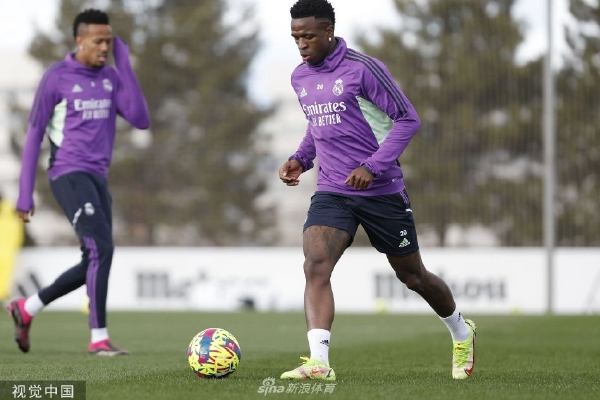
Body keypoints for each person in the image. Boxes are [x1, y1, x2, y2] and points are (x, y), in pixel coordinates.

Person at [278, 0, 476, 381]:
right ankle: (319, 362)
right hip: (333, 190)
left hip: (381, 191)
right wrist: (301, 159)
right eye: (295, 37)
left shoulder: (363, 70)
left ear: (329, 31)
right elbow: (319, 126)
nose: (301, 44)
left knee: (413, 276)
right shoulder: (300, 77)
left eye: (308, 36)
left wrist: (372, 166)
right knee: (315, 264)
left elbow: (408, 119)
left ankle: (461, 331)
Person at [7, 9, 150, 356]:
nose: (105, 47)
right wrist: (25, 194)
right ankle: (98, 338)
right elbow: (34, 135)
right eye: (98, 41)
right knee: (102, 250)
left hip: (98, 178)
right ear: (79, 40)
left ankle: (27, 307)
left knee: (95, 256)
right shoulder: (56, 78)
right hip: (67, 173)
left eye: (109, 41)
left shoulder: (111, 77)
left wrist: (124, 63)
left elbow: (140, 119)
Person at [0, 192, 25, 305]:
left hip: (7, 250)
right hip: (9, 251)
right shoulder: (14, 216)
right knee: (5, 276)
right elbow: (19, 235)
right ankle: (2, 296)